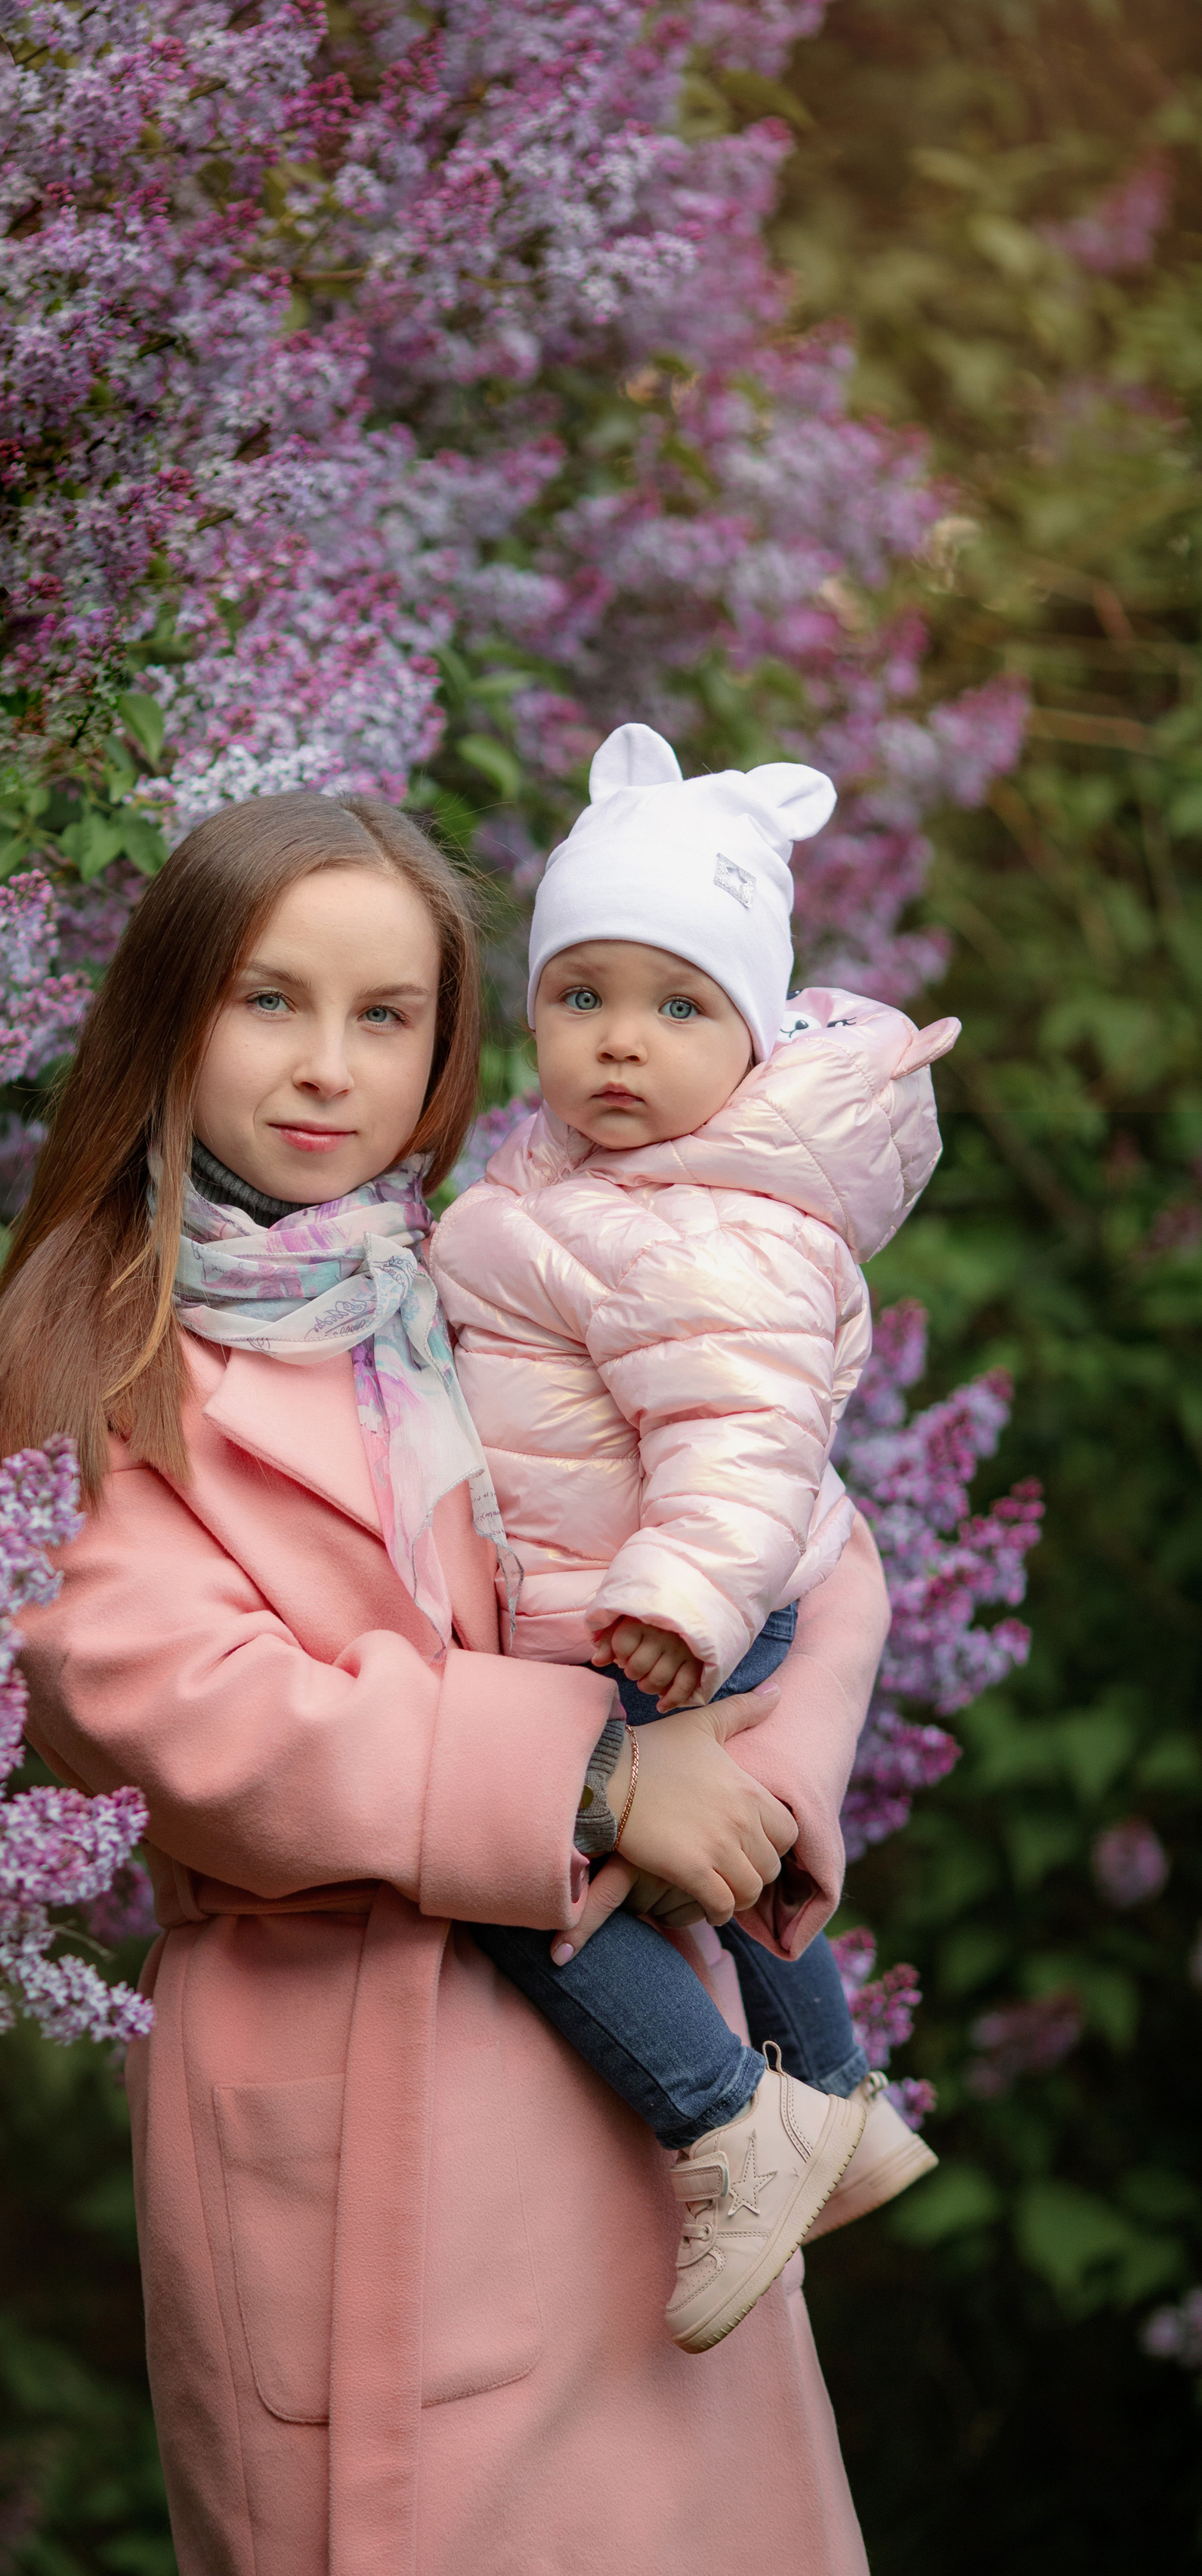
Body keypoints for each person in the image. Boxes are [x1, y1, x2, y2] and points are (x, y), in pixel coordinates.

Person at [0, 786, 892, 2576]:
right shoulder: (90, 1340)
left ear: (447, 1044)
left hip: (646, 2116)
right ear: (168, 1014)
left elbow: (806, 1531)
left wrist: (747, 1777)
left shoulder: (483, 1269)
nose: (327, 1070)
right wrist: (586, 1777)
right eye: (267, 1001)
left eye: (384, 1016)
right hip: (354, 2083)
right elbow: (154, 1693)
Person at [432, 723, 950, 2352]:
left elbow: (740, 1438)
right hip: (662, 1592)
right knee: (726, 1871)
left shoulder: (711, 1221)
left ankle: (730, 2120)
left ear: (748, 1033)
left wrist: (675, 1599)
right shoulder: (602, 1179)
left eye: (674, 1008)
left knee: (517, 1866)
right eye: (577, 998)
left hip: (672, 1603)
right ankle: (845, 2099)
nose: (616, 1045)